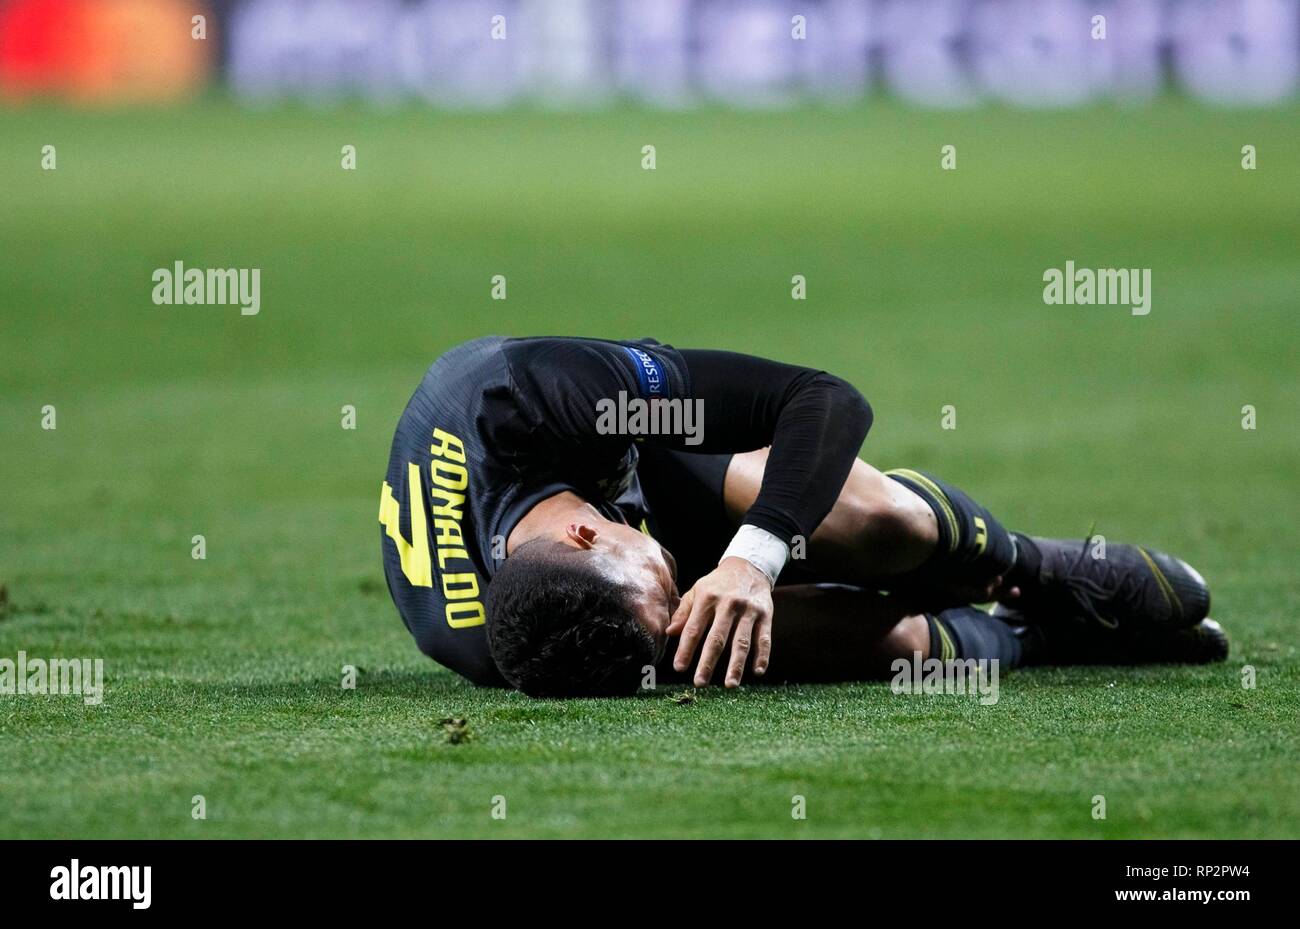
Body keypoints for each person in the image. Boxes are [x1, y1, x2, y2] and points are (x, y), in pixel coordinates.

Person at [379, 336, 1224, 697]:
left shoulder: (548, 395)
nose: (682, 576)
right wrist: (703, 623)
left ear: (585, 530)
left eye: (663, 572)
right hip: (596, 563)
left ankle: (1039, 567)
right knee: (756, 644)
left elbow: (820, 398)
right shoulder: (517, 647)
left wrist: (751, 558)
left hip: (641, 450)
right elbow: (656, 626)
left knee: (874, 520)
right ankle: (1039, 638)